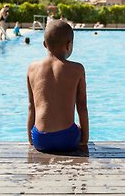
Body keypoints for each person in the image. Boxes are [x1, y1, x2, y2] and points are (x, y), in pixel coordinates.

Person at [27, 20, 89, 152]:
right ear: (69, 45)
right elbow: (82, 106)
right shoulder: (77, 69)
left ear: (44, 44)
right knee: (76, 128)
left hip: (41, 140)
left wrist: (31, 139)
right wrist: (84, 140)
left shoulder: (32, 69)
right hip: (67, 140)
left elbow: (31, 106)